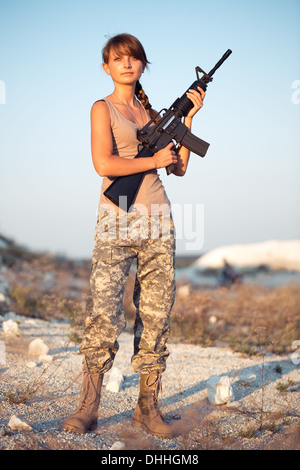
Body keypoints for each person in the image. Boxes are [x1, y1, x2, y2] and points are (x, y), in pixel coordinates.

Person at [62, 33, 205, 438]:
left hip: (158, 221)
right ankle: (88, 409)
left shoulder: (151, 115)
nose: (126, 64)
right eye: (117, 59)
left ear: (143, 65)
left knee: (156, 316)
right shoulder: (102, 108)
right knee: (104, 313)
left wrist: (188, 122)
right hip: (115, 219)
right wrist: (152, 160)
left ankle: (147, 409)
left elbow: (178, 170)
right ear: (107, 67)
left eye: (134, 58)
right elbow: (102, 163)